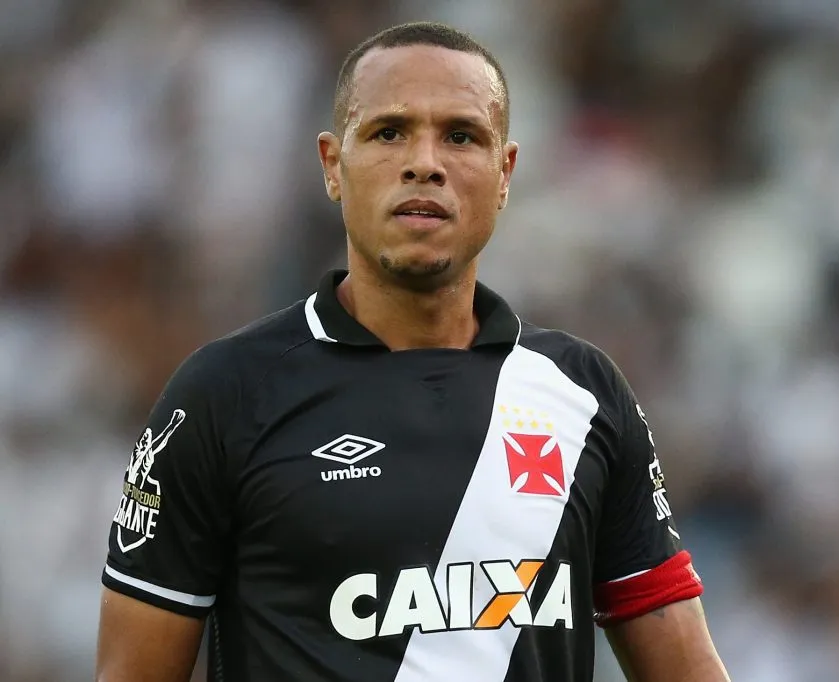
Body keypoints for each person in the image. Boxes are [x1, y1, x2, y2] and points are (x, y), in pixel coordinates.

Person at [95, 21, 731, 682]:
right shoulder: (223, 394)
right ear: (331, 166)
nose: (424, 161)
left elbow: (684, 666)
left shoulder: (582, 393)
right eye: (388, 131)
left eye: (461, 135)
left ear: (505, 172)